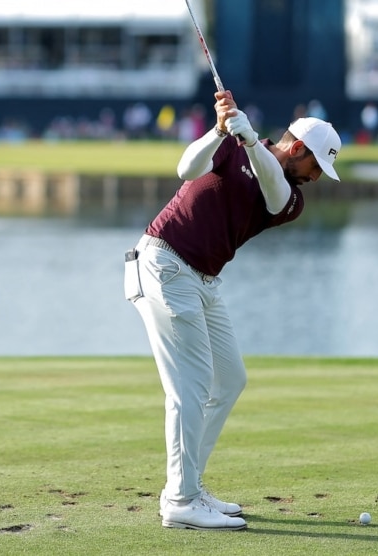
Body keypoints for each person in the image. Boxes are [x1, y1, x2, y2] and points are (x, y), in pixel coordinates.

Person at [123, 90, 341, 531]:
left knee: (229, 378)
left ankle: (188, 484)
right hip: (164, 264)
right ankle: (181, 501)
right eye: (316, 165)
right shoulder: (230, 146)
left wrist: (252, 141)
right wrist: (218, 130)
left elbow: (274, 193)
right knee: (191, 385)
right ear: (297, 148)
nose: (316, 177)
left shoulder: (290, 197)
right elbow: (186, 169)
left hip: (203, 280)